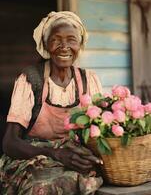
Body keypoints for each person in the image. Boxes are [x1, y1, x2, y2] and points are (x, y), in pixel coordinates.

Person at [0, 11, 103, 195]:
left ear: (80, 45)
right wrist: (54, 153)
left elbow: (101, 131)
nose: (64, 47)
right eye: (56, 39)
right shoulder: (31, 80)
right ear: (46, 45)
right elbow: (9, 143)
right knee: (44, 186)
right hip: (35, 156)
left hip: (74, 155)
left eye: (71, 39)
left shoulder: (89, 80)